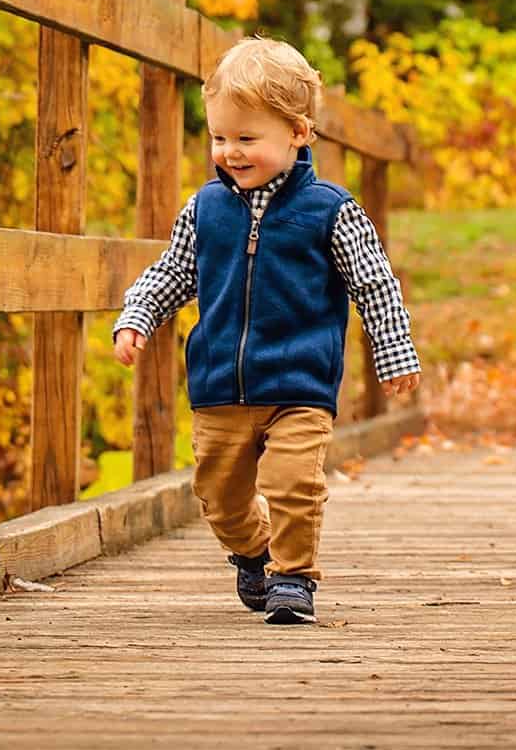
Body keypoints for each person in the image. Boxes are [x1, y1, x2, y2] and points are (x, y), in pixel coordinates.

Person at [110, 36, 420, 626]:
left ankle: (293, 577)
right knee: (220, 498)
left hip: (299, 382)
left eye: (247, 139)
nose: (230, 152)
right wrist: (138, 316)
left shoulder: (329, 209)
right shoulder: (205, 209)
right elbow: (174, 271)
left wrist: (394, 350)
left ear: (298, 134)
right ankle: (253, 553)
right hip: (220, 385)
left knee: (292, 482)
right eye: (220, 138)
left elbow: (374, 282)